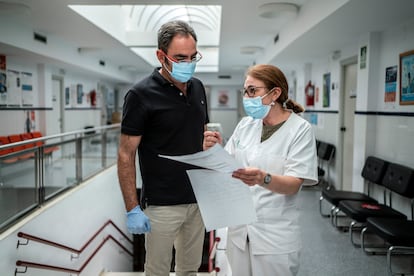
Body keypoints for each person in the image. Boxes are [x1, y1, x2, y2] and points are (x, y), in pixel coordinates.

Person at [203, 64, 318, 276]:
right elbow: (230, 165)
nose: (247, 97)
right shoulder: (246, 125)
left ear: (275, 93)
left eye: (252, 91)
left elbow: (294, 184)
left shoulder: (300, 130)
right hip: (238, 228)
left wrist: (262, 178)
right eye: (245, 91)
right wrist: (215, 150)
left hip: (274, 234)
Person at [117, 20, 209, 276]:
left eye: (193, 57)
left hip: (198, 199)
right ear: (161, 55)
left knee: (190, 269)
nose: (188, 63)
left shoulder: (199, 88)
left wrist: (209, 142)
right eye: (180, 58)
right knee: (157, 271)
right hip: (161, 204)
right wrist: (132, 207)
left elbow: (199, 134)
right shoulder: (140, 95)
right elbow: (126, 154)